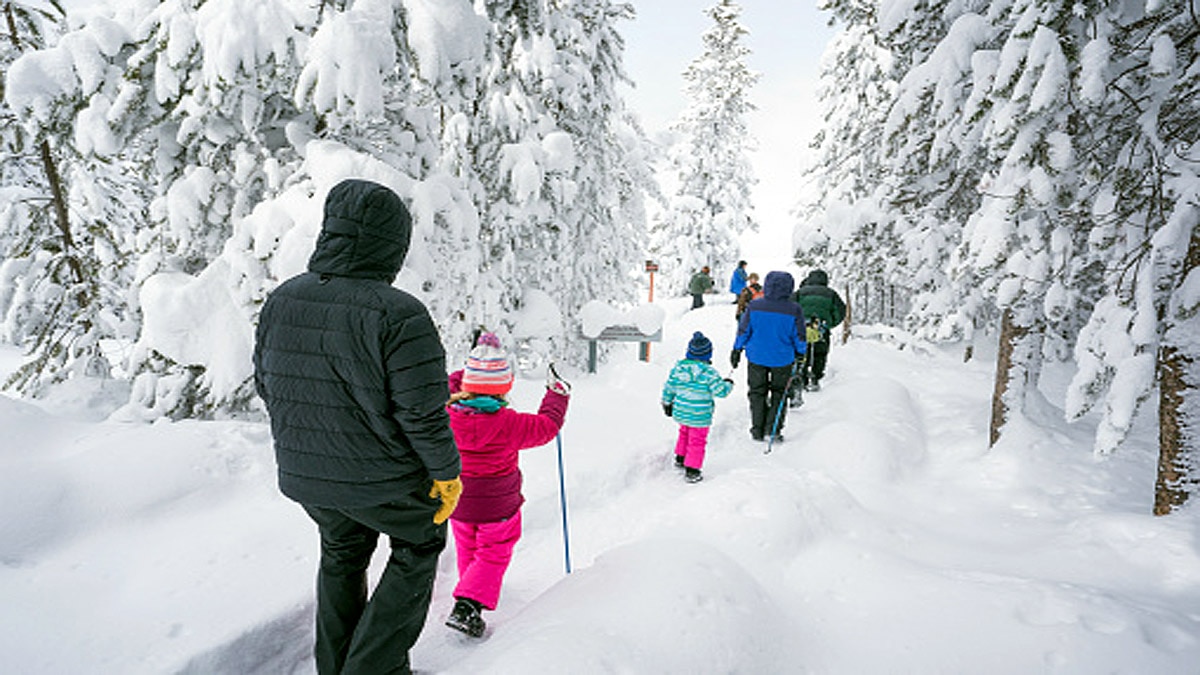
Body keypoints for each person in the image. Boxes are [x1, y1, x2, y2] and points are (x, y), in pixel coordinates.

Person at [253, 178, 462, 675]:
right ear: (393, 244)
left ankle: (336, 666)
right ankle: (374, 669)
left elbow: (267, 384)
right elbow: (422, 413)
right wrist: (447, 472)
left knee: (342, 554)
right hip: (381, 479)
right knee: (420, 543)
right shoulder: (398, 312)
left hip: (308, 475)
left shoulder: (283, 299)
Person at [443, 332, 571, 638]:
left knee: (467, 546)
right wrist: (557, 395)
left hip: (459, 500)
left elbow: (446, 384)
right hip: (498, 503)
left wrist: (474, 366)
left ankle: (470, 585)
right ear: (504, 388)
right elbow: (547, 426)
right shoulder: (508, 423)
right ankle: (468, 603)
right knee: (494, 551)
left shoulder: (447, 416)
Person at [730, 270, 806, 442]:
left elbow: (744, 330)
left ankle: (757, 429)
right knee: (780, 393)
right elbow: (800, 335)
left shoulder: (755, 306)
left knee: (757, 392)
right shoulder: (794, 309)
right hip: (782, 359)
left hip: (756, 356)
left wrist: (736, 349)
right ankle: (773, 430)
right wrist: (801, 353)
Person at [661, 331, 734, 483]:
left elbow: (669, 387)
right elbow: (720, 392)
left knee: (684, 432)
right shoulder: (709, 373)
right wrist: (728, 384)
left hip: (681, 411)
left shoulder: (678, 369)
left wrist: (667, 403)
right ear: (708, 355)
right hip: (700, 415)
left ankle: (680, 458)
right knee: (697, 440)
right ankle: (692, 470)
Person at [792, 269, 847, 393]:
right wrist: (830, 324)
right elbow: (841, 311)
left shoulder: (800, 293)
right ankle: (816, 377)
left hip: (802, 328)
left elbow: (789, 307)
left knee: (802, 352)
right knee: (820, 353)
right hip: (821, 327)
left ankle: (802, 376)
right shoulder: (831, 294)